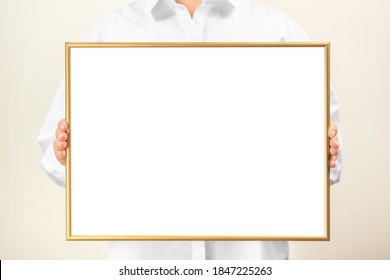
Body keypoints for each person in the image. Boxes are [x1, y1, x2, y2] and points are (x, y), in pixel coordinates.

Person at [38, 0, 342, 260]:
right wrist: (67, 155)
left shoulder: (278, 30)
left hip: (250, 259)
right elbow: (56, 148)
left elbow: (326, 147)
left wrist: (320, 154)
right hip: (144, 261)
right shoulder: (111, 32)